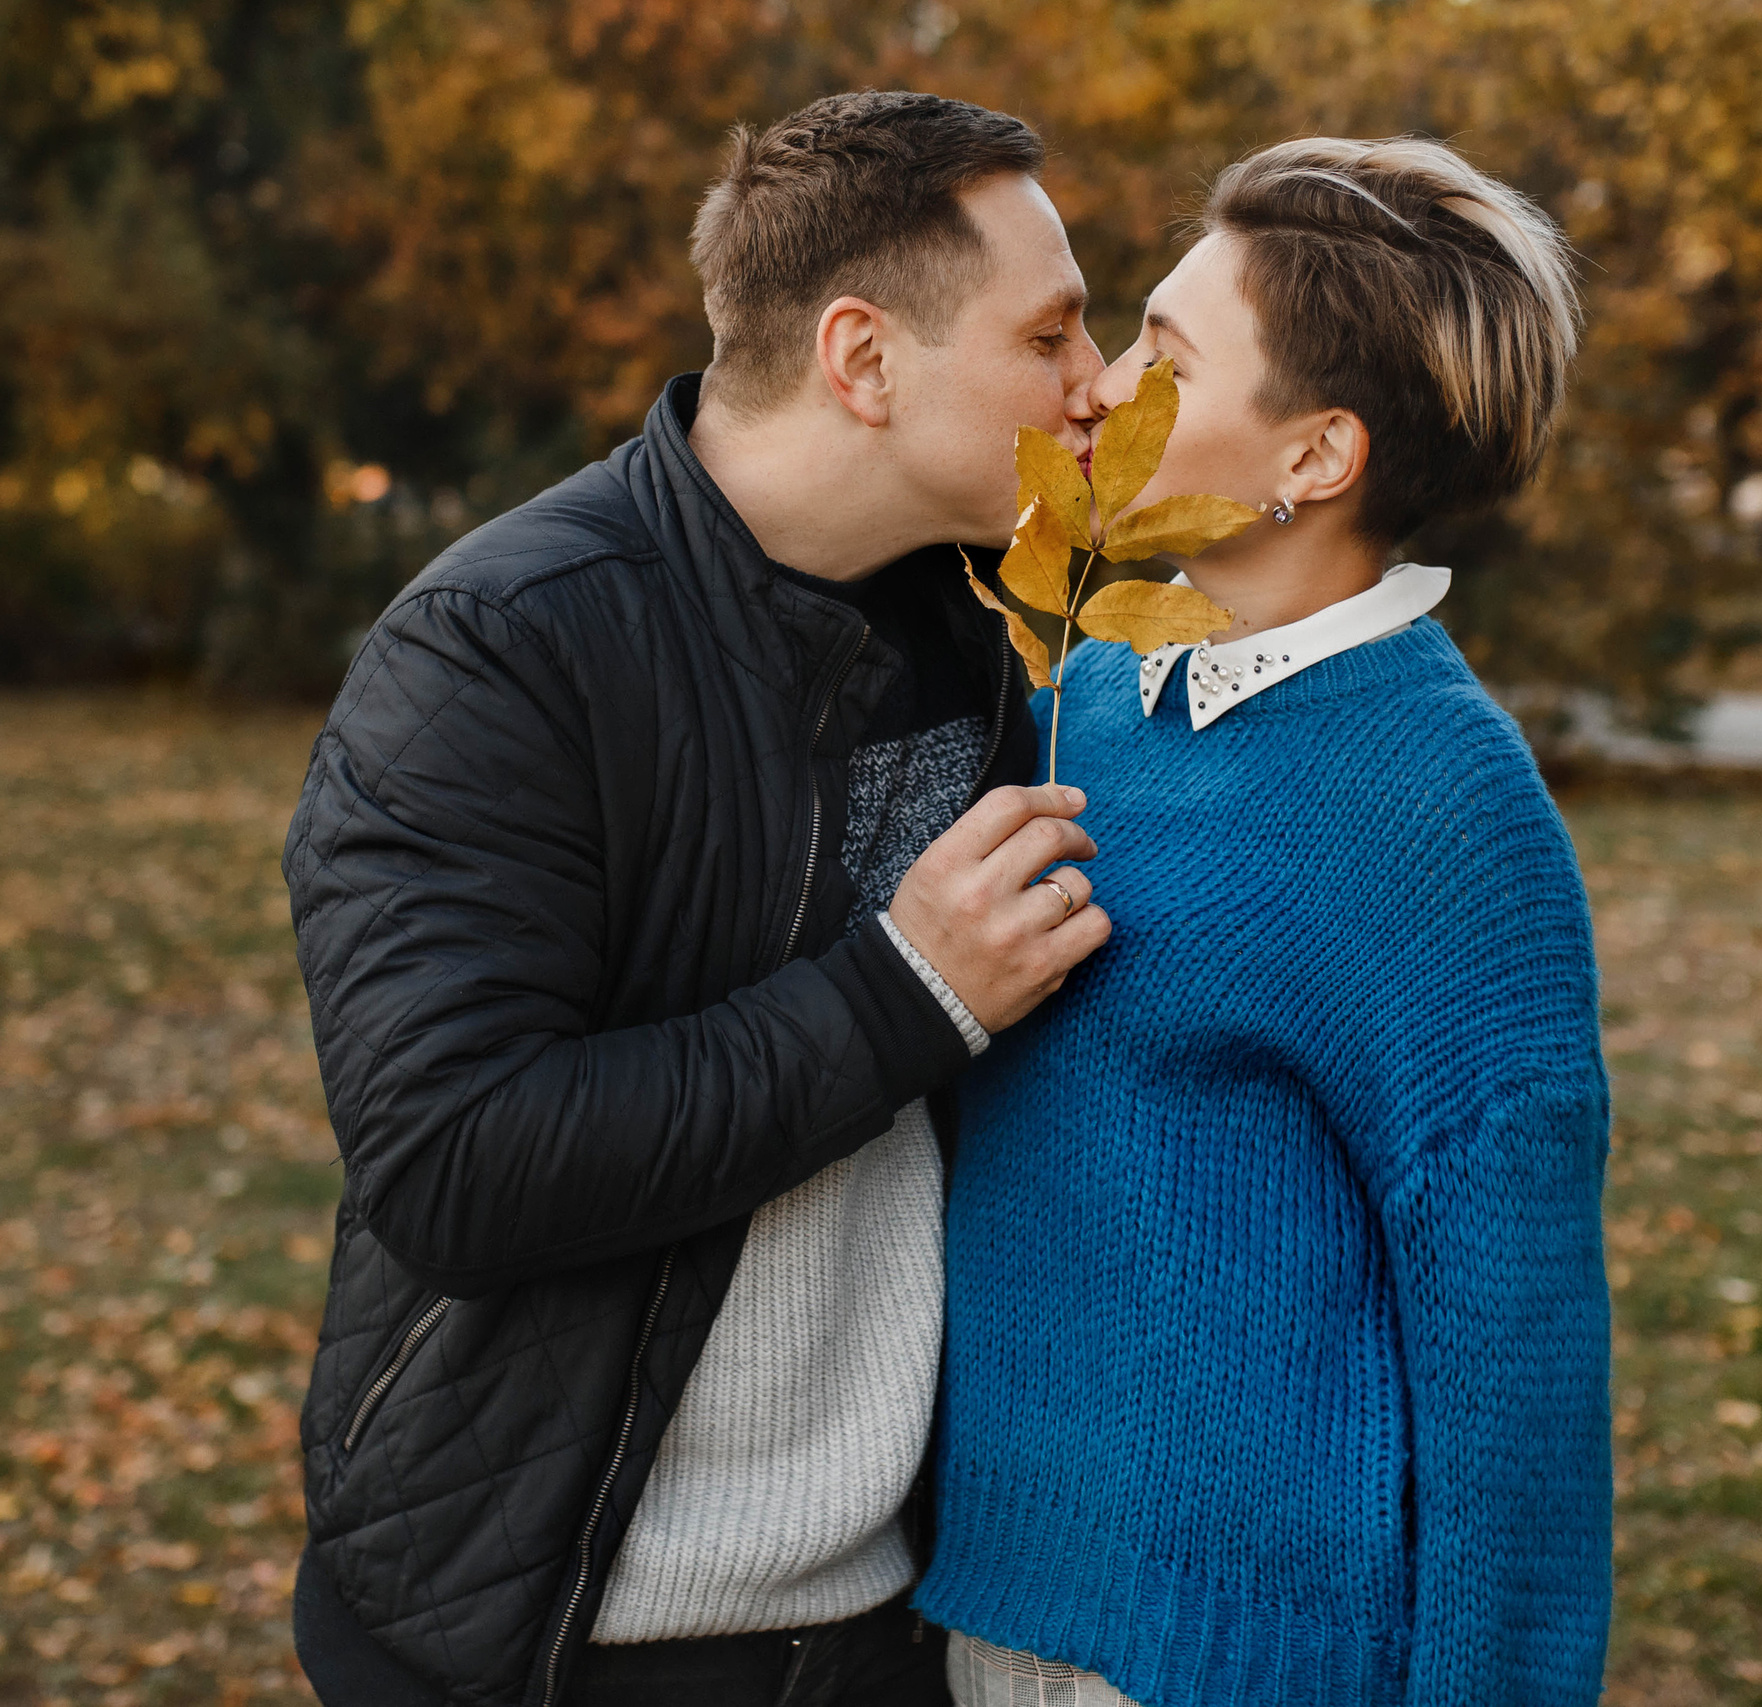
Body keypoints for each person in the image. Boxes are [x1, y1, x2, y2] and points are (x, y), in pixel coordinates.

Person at [283, 91, 1116, 1707]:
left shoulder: (983, 639)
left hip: (893, 1622)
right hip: (556, 1637)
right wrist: (903, 997)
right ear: (864, 361)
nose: (1100, 386)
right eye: (1053, 335)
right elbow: (456, 1162)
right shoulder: (502, 653)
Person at [913, 137, 1613, 1707]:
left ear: (1316, 457)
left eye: (1164, 359)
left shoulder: (1446, 816)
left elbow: (1519, 1382)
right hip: (989, 1622)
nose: (1092, 390)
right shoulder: (1087, 693)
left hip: (1247, 1671)